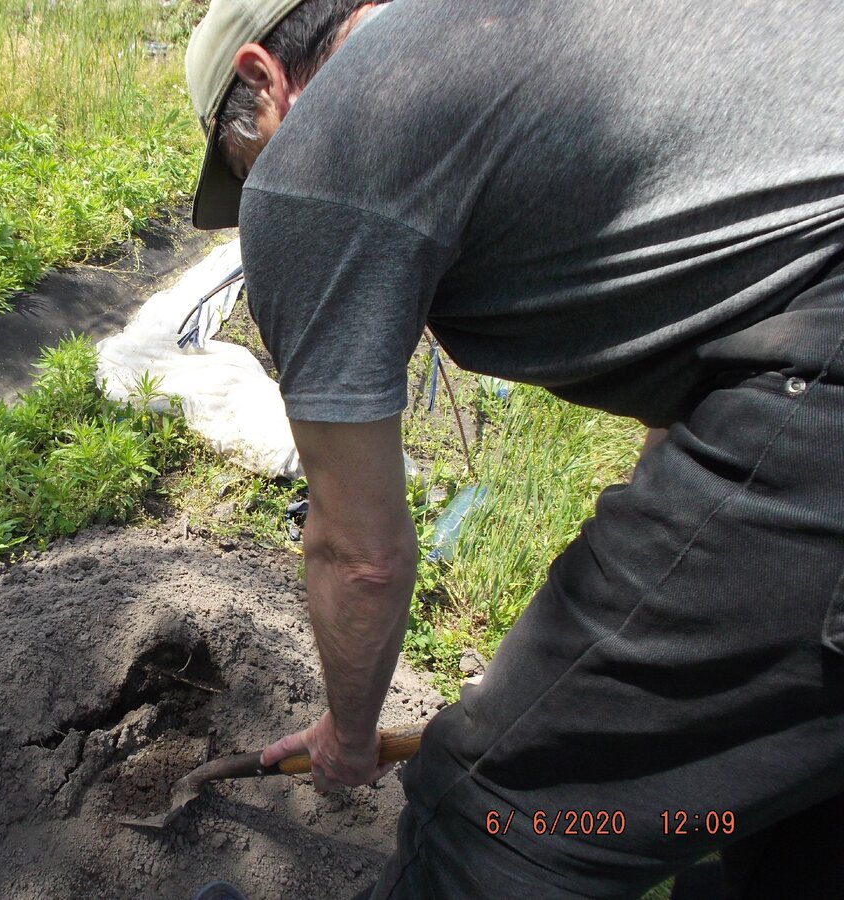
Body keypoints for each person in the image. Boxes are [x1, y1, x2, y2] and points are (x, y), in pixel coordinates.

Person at [184, 0, 844, 897]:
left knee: (498, 808)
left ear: (264, 78)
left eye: (245, 162)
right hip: (801, 351)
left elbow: (360, 556)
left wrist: (348, 733)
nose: (259, 187)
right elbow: (726, 301)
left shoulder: (326, 146)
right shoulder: (522, 37)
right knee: (783, 788)